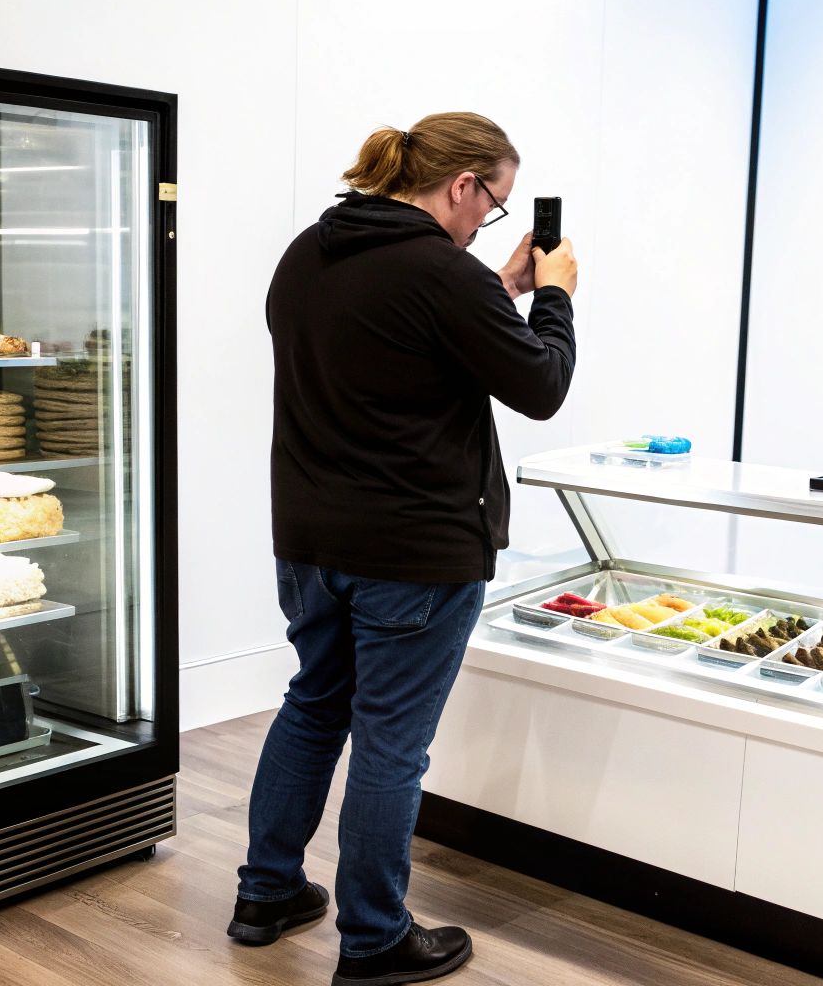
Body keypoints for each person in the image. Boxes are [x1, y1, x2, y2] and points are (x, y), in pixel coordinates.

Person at [228, 112, 578, 986]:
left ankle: (266, 893)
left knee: (313, 705)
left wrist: (494, 285)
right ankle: (375, 938)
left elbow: (402, 346)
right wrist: (556, 294)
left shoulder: (308, 252)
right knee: (391, 745)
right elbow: (542, 385)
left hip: (309, 541)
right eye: (490, 205)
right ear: (462, 186)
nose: (484, 223)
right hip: (414, 553)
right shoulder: (439, 273)